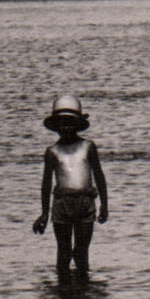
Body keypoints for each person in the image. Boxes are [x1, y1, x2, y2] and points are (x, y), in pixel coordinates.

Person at [32, 95, 109, 274]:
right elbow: (46, 184)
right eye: (61, 124)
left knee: (82, 252)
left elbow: (99, 176)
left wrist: (104, 206)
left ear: (77, 124)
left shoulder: (88, 146)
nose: (66, 127)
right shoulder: (52, 151)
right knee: (64, 252)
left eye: (70, 123)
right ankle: (63, 292)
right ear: (56, 127)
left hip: (85, 203)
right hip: (62, 205)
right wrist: (44, 213)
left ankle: (83, 289)